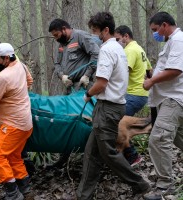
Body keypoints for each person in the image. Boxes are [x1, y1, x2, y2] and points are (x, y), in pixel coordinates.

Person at [76, 12, 150, 200]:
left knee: (108, 153)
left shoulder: (108, 50)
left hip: (108, 107)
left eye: (95, 31)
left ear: (106, 30)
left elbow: (101, 83)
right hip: (112, 105)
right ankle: (83, 195)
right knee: (91, 153)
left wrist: (87, 93)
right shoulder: (118, 48)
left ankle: (140, 184)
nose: (93, 34)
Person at [0, 36, 34, 188]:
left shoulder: (3, 77)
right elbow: (29, 81)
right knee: (14, 156)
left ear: (5, 58)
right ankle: (25, 188)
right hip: (25, 122)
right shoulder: (21, 66)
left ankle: (12, 192)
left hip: (12, 124)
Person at [48, 18, 100, 169]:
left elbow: (96, 55)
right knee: (69, 121)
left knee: (89, 120)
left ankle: (94, 156)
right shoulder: (61, 45)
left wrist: (87, 75)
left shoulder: (81, 36)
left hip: (84, 86)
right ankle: (63, 158)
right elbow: (57, 64)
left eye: (57, 34)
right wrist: (61, 76)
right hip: (70, 88)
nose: (56, 38)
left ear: (64, 29)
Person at [142, 11, 183, 200]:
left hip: (174, 99)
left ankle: (165, 186)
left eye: (155, 30)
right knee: (177, 138)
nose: (154, 34)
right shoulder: (171, 42)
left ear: (165, 25)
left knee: (158, 139)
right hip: (170, 98)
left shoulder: (179, 40)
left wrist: (151, 82)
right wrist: (153, 78)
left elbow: (175, 70)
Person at [114, 25, 153, 167]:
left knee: (115, 123)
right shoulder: (140, 49)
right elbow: (150, 70)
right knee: (120, 124)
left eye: (118, 39)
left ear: (126, 36)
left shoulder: (129, 50)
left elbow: (124, 72)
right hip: (141, 94)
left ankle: (132, 156)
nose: (117, 42)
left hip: (134, 94)